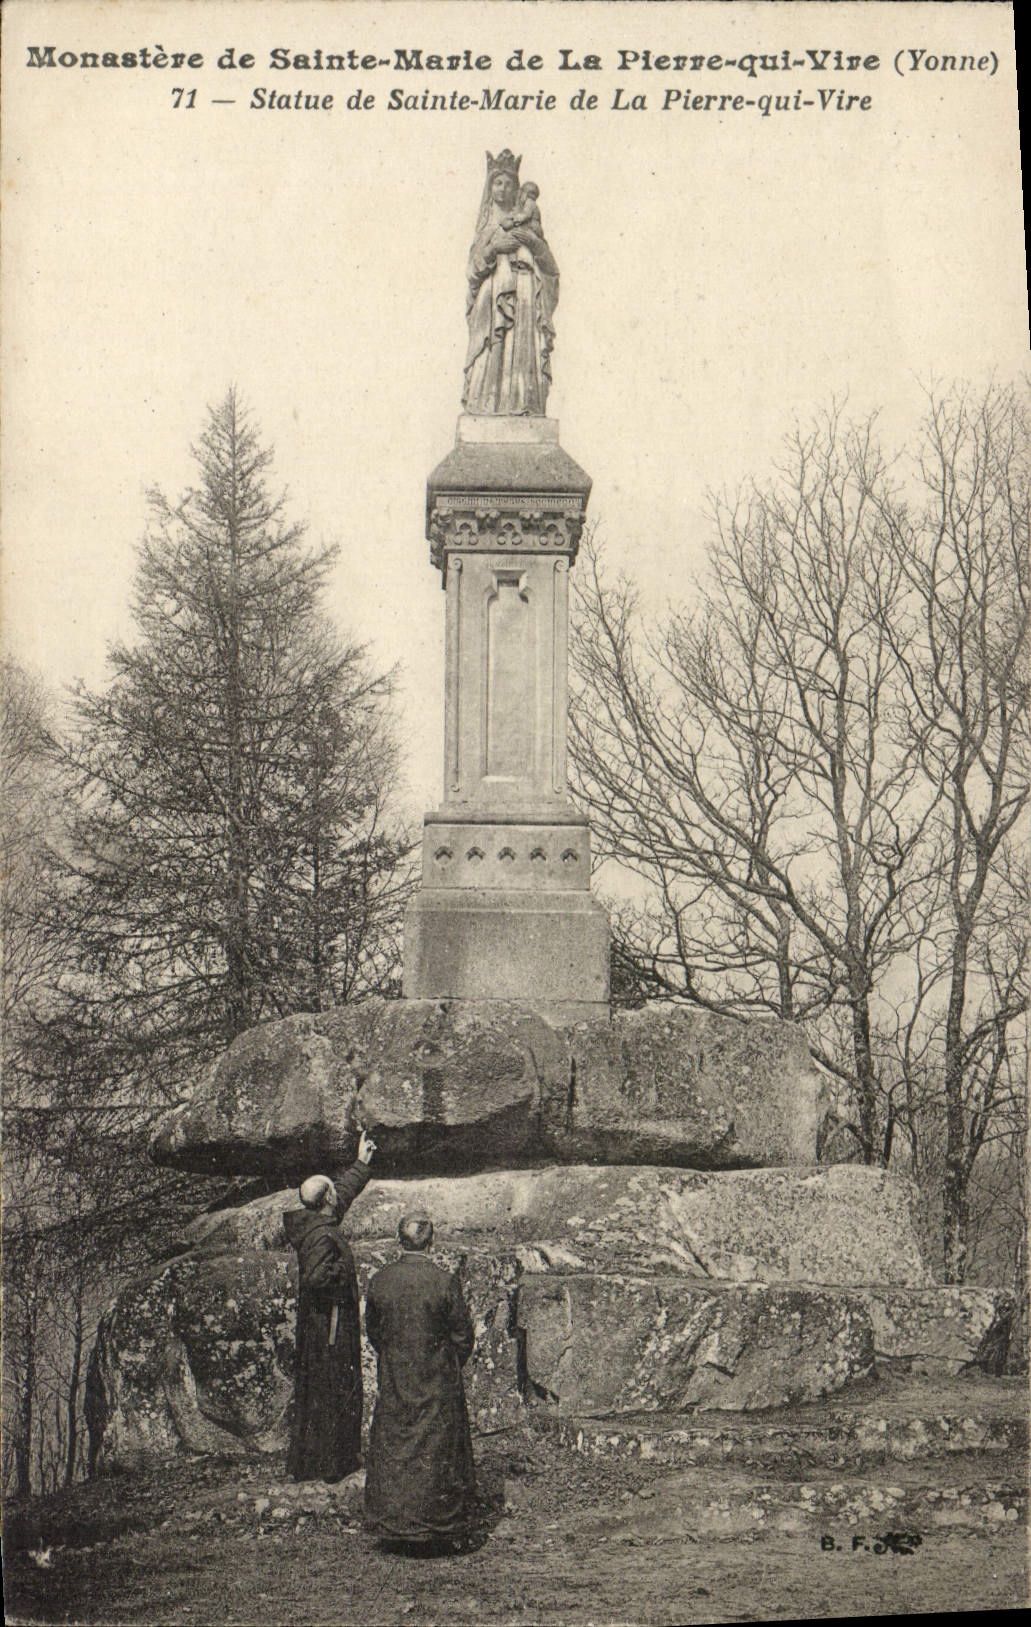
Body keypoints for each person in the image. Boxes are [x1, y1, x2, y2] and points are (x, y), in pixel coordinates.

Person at [363, 1215, 477, 1548]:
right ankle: (438, 1527)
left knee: (395, 1444)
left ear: (399, 1241)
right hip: (436, 1376)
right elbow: (462, 1335)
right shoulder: (442, 1281)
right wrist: (447, 1364)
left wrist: (395, 1357)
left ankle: (394, 1524)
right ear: (431, 1241)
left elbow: (374, 1332)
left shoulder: (380, 1280)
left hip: (396, 1374)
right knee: (437, 1447)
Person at [283, 1129, 376, 1482]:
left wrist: (361, 1164)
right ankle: (329, 1464)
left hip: (324, 1325)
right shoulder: (322, 1235)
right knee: (330, 1391)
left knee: (326, 1391)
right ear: (327, 1201)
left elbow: (342, 1195)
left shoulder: (315, 1221)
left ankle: (328, 1461)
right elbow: (317, 1278)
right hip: (329, 1328)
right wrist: (342, 1271)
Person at [463, 151, 559, 418]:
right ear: (490, 186)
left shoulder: (528, 220)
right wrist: (495, 248)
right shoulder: (486, 223)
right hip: (493, 298)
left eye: (508, 183)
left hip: (525, 294)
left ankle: (522, 404)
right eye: (498, 183)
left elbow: (550, 268)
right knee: (492, 350)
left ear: (517, 188)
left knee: (522, 354)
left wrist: (530, 243)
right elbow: (473, 269)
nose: (502, 189)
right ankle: (485, 404)